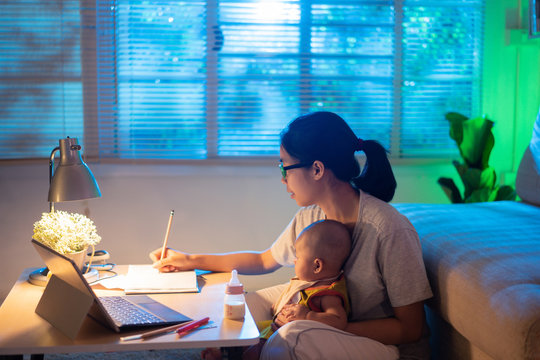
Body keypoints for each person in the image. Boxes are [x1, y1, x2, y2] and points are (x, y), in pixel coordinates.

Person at [150, 111, 433, 360]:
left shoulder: (389, 229)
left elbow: (410, 329)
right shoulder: (310, 216)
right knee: (239, 303)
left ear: (317, 169)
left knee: (294, 337)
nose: (283, 178)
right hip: (324, 319)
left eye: (285, 167)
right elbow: (264, 261)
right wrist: (189, 259)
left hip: (385, 346)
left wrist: (318, 322)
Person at [202, 219, 352, 360]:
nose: (294, 261)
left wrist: (308, 315)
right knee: (248, 333)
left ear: (317, 266)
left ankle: (231, 356)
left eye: (298, 258)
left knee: (255, 351)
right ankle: (226, 352)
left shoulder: (327, 294)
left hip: (285, 335)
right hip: (273, 325)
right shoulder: (309, 282)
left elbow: (339, 320)